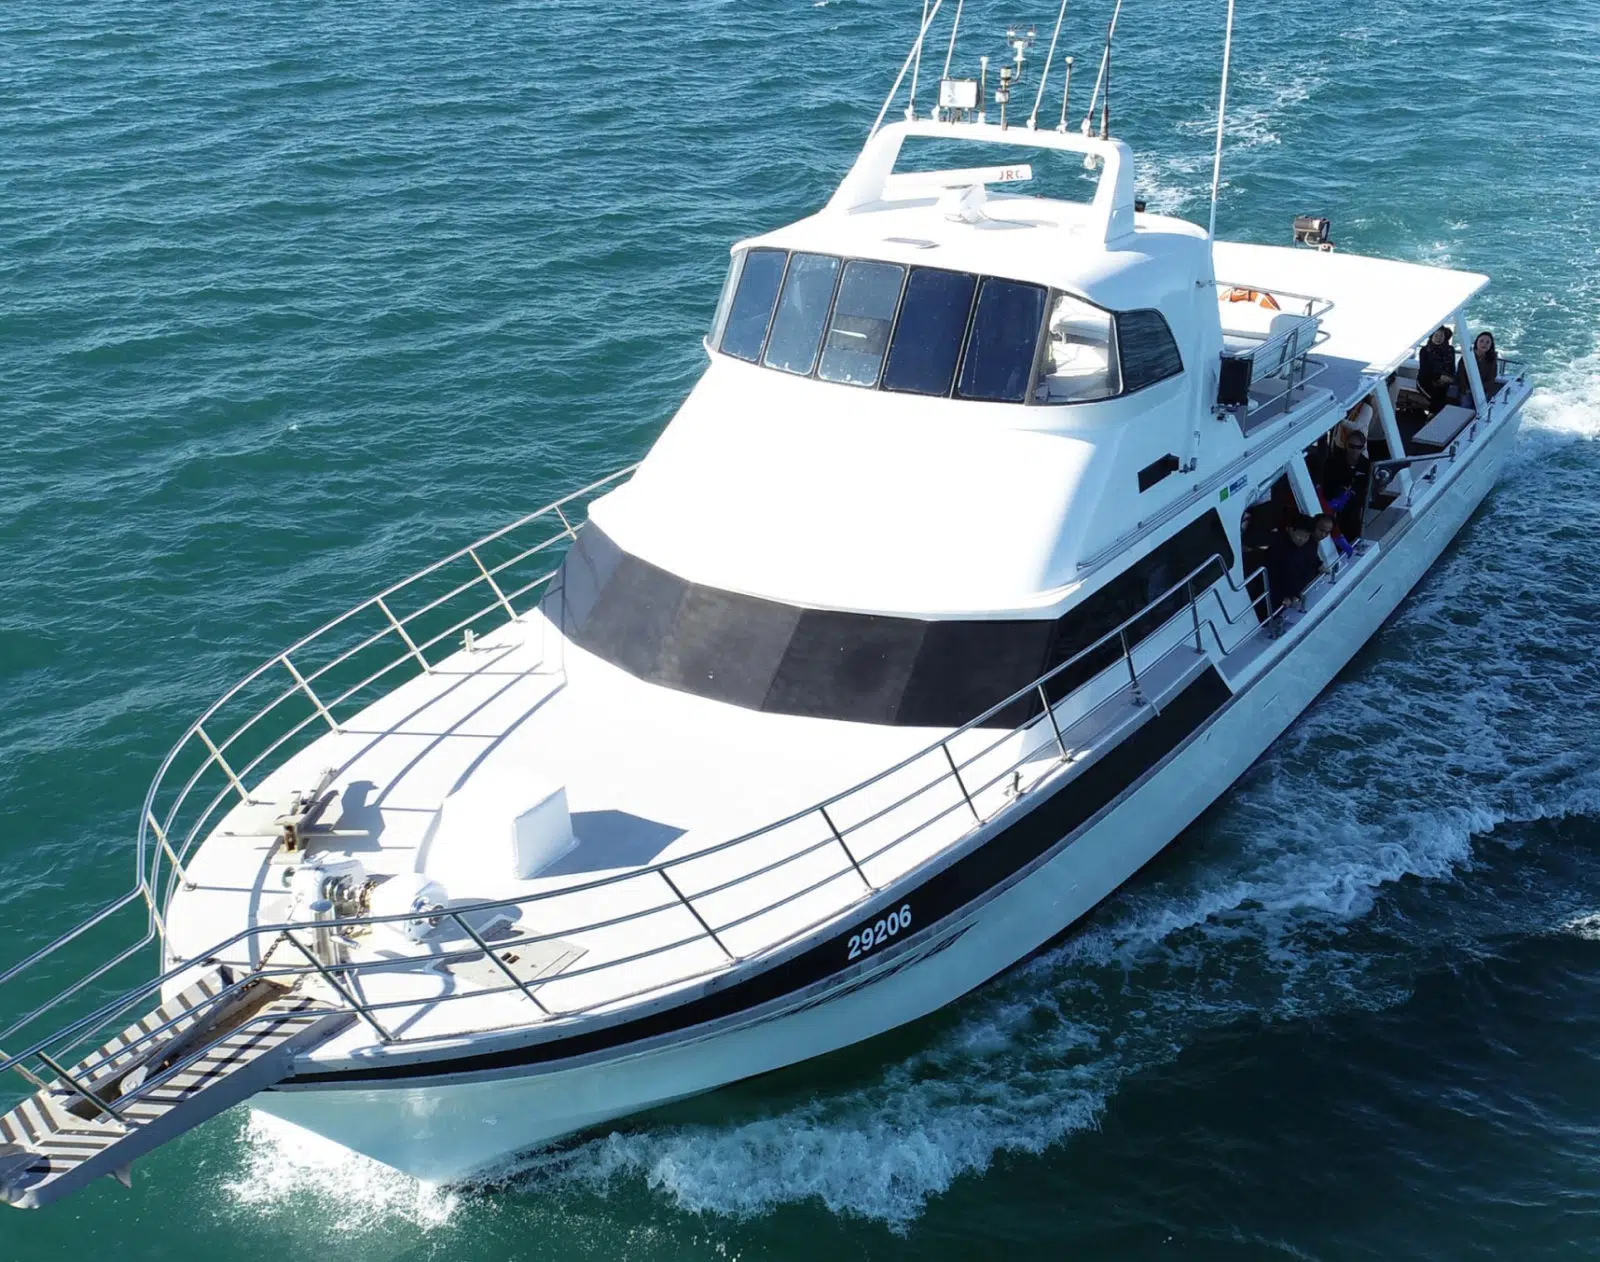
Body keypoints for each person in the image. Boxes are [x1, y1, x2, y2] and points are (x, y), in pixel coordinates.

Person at [1318, 427, 1371, 541]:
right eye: (1352, 446)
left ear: (1363, 449)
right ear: (1346, 445)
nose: (1354, 450)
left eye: (1358, 447)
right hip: (1333, 505)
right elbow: (1326, 484)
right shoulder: (1333, 462)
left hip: (1354, 508)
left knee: (1352, 530)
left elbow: (1366, 488)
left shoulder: (1367, 466)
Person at [1266, 514, 1319, 615]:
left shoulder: (1307, 545)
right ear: (1290, 530)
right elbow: (1273, 576)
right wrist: (1282, 597)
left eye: (1306, 536)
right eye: (1299, 535)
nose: (1302, 539)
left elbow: (1310, 561)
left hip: (1297, 591)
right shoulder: (1277, 549)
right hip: (1279, 596)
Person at [1417, 326, 1456, 414]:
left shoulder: (1450, 350)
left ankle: (1432, 418)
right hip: (1425, 382)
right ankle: (1432, 419)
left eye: (1441, 336)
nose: (1438, 338)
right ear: (1431, 336)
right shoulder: (1424, 351)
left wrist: (1449, 378)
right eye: (1436, 335)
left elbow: (1452, 367)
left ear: (1445, 337)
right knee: (1437, 398)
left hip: (1444, 382)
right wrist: (1439, 377)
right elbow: (1425, 370)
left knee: (1440, 394)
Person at [1456, 330, 1499, 402]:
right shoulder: (1468, 355)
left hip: (1482, 391)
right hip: (1466, 390)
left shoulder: (1492, 359)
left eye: (1487, 342)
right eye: (1481, 341)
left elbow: (1491, 378)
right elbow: (1460, 374)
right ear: (1476, 342)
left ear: (1491, 345)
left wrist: (1480, 389)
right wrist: (1467, 389)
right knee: (1466, 405)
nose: (1484, 344)